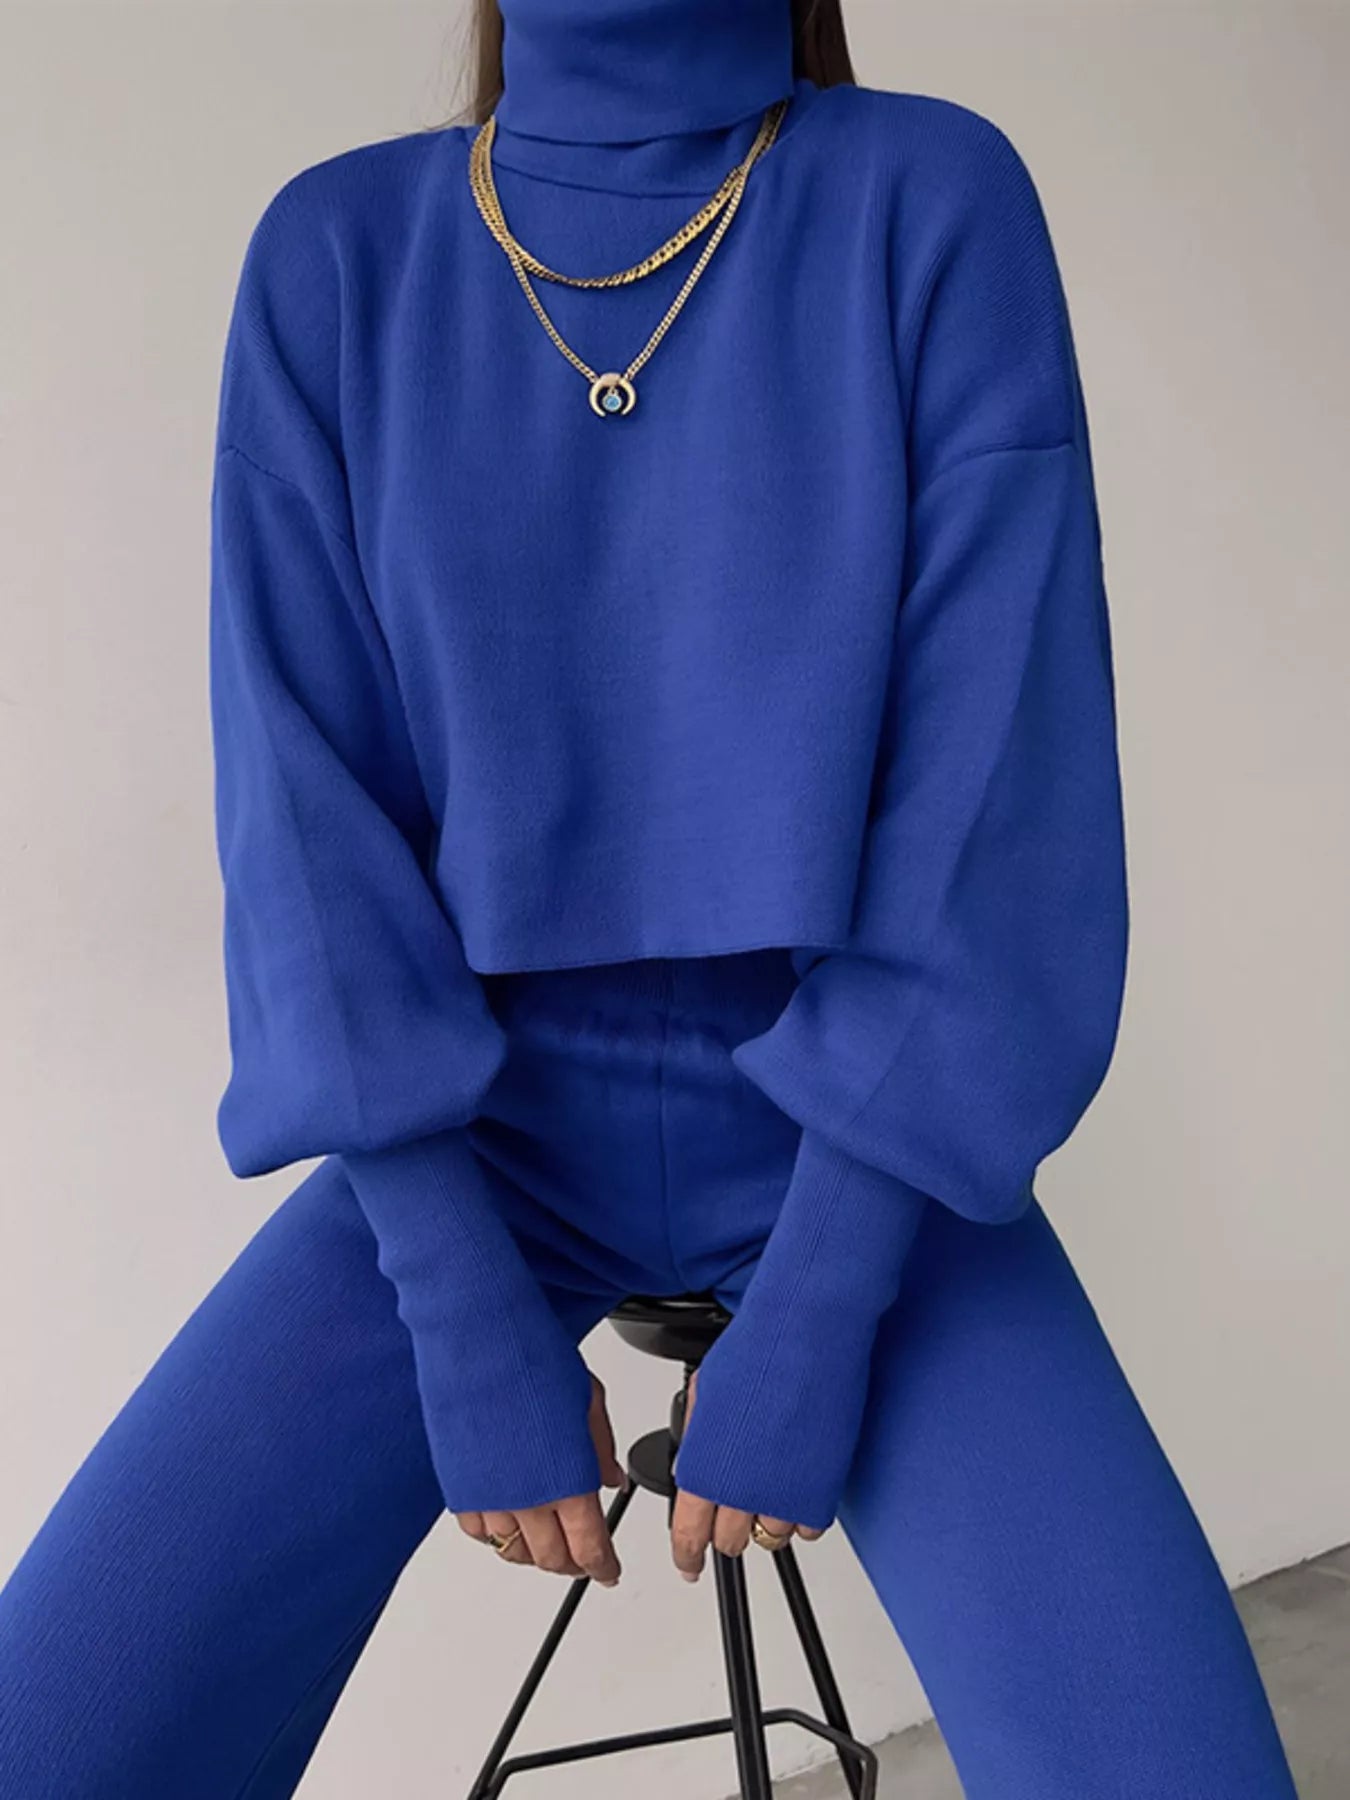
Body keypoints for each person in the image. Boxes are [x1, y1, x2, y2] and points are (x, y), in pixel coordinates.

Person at [0, 1, 1300, 1794]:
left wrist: (824, 1305)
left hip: (852, 1145)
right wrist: (455, 1312)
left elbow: (1001, 791)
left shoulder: (927, 197)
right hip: (478, 1150)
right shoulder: (338, 252)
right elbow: (306, 820)